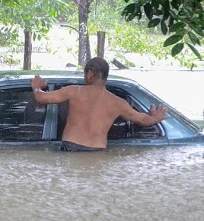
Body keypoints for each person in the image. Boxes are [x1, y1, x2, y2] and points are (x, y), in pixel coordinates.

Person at [31, 57, 168, 151]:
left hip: (71, 147)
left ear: (89, 74)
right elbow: (142, 119)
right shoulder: (118, 102)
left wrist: (37, 87)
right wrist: (155, 118)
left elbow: (41, 98)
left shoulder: (74, 91)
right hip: (97, 151)